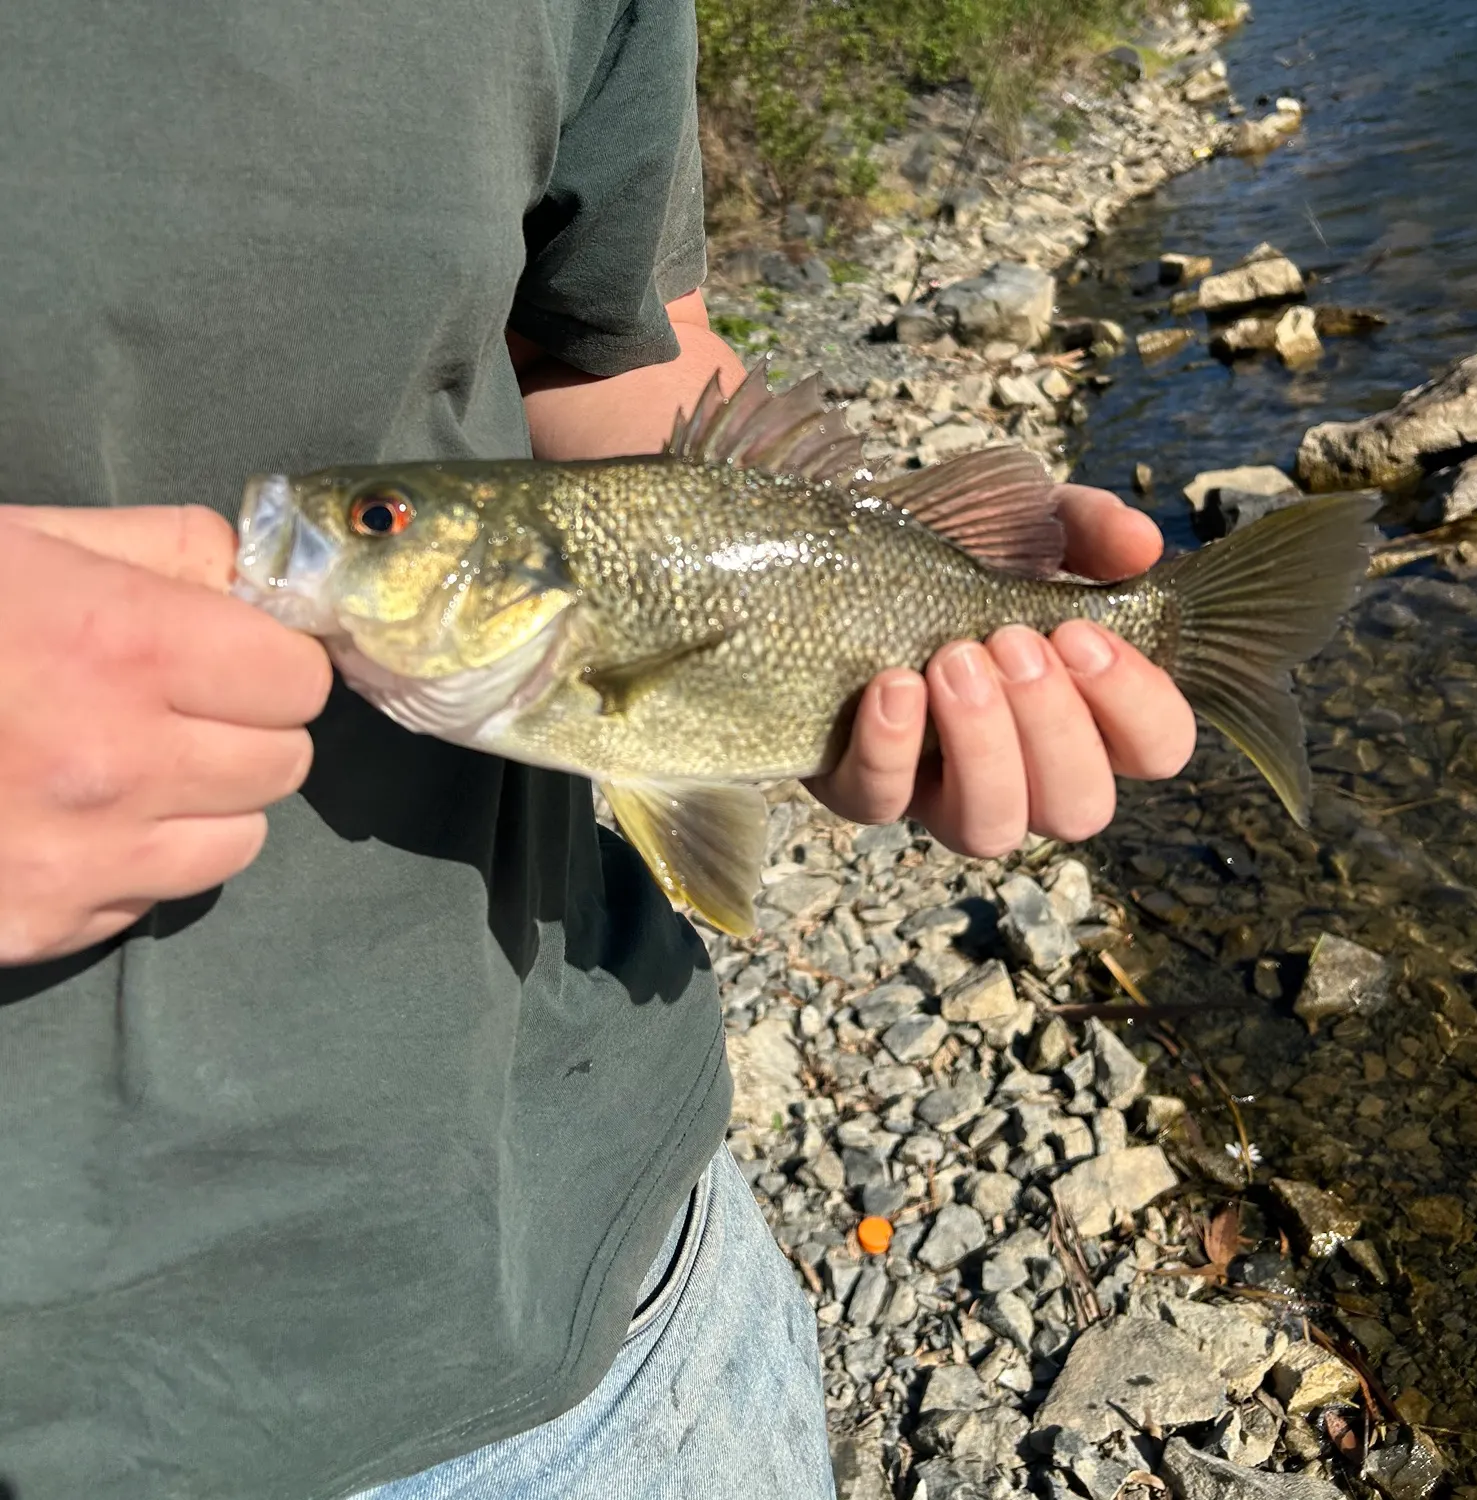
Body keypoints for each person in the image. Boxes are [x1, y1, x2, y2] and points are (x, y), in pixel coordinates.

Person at [0, 1, 1196, 1496]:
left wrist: (925, 604)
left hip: (616, 1286)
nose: (312, 517)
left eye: (375, 520)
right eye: (380, 522)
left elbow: (610, 349)